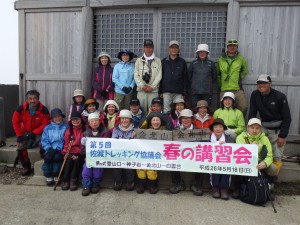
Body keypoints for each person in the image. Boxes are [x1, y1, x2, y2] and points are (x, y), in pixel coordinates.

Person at [248, 74, 291, 178]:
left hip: (277, 130)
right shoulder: (255, 95)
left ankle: (272, 181)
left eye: (264, 83)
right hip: (262, 128)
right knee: (260, 152)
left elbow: (287, 118)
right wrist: (249, 128)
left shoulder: (280, 96)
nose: (261, 85)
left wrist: (283, 135)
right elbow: (252, 112)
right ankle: (260, 178)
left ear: (270, 84)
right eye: (259, 83)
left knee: (277, 156)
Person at [235, 118, 277, 198]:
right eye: (252, 127)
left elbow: (269, 155)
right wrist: (251, 148)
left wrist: (265, 163)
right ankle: (239, 188)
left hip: (260, 162)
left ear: (260, 129)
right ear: (247, 128)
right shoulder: (240, 137)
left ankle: (268, 189)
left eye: (257, 128)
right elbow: (239, 153)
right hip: (246, 161)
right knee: (238, 166)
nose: (254, 130)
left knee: (273, 168)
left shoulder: (264, 138)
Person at [12, 90, 50, 175]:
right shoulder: (20, 109)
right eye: (30, 98)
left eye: (35, 98)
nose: (32, 101)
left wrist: (34, 133)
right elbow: (15, 121)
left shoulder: (44, 110)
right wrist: (19, 136)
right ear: (27, 100)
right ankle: (26, 166)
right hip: (25, 131)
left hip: (39, 132)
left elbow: (45, 124)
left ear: (38, 99)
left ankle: (46, 163)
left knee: (43, 144)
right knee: (21, 147)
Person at [169, 109, 205, 196]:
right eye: (183, 118)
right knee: (171, 157)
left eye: (188, 118)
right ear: (180, 119)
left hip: (194, 155)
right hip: (180, 155)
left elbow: (205, 144)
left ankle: (197, 184)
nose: (185, 120)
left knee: (203, 158)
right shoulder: (175, 130)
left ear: (192, 119)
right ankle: (177, 183)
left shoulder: (199, 131)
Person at [81, 112, 112, 196]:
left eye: (96, 121)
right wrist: (85, 156)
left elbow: (106, 145)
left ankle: (95, 184)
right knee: (86, 168)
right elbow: (83, 148)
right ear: (89, 123)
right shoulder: (86, 133)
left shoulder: (106, 131)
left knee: (98, 169)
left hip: (101, 156)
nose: (94, 123)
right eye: (92, 121)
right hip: (90, 156)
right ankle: (86, 186)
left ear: (99, 121)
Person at [136, 112, 166, 194]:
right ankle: (141, 184)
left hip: (157, 156)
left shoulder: (165, 131)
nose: (155, 122)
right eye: (153, 120)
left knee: (151, 170)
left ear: (161, 121)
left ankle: (152, 185)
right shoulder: (146, 131)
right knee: (141, 169)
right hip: (145, 155)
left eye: (157, 120)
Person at [217, 38, 248, 117]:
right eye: (230, 46)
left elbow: (245, 70)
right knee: (223, 109)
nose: (232, 47)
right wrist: (220, 85)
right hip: (224, 89)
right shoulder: (221, 59)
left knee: (243, 106)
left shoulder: (241, 59)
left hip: (237, 89)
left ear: (236, 47)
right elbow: (218, 74)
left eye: (234, 46)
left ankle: (238, 122)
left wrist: (239, 78)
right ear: (227, 47)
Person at [41, 108, 69, 186]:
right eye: (55, 117)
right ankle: (48, 175)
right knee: (48, 159)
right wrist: (48, 148)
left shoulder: (66, 127)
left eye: (59, 116)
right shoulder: (47, 128)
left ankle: (57, 175)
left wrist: (59, 148)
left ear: (62, 117)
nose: (58, 118)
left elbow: (65, 139)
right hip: (49, 149)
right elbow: (44, 140)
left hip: (60, 149)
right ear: (52, 118)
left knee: (57, 159)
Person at [134, 39, 162, 112]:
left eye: (150, 47)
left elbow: (159, 75)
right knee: (141, 111)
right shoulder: (138, 61)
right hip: (141, 91)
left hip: (153, 91)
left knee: (153, 111)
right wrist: (142, 86)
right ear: (143, 48)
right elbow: (136, 75)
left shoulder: (158, 61)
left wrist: (152, 87)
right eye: (146, 47)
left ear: (153, 48)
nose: (148, 49)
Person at [160, 40, 188, 113]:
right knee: (167, 110)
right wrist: (160, 91)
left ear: (178, 49)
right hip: (166, 90)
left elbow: (185, 77)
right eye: (172, 47)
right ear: (169, 49)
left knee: (179, 110)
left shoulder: (182, 62)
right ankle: (168, 124)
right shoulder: (163, 62)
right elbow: (160, 77)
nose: (174, 49)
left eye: (176, 47)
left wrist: (184, 92)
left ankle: (178, 124)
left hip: (178, 91)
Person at [111, 109, 136, 191]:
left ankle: (130, 181)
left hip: (131, 154)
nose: (124, 120)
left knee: (130, 167)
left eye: (126, 118)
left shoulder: (135, 130)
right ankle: (118, 181)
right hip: (118, 153)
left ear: (130, 120)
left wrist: (134, 136)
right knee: (116, 165)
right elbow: (114, 141)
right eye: (122, 118)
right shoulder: (116, 129)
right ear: (120, 120)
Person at [209, 118, 233, 200]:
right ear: (212, 129)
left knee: (226, 169)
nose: (218, 129)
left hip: (226, 161)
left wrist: (226, 145)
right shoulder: (208, 138)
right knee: (214, 168)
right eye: (215, 127)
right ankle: (215, 188)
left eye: (220, 127)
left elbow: (234, 150)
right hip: (212, 161)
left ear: (223, 129)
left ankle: (224, 189)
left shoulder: (229, 138)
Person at [61, 111, 85, 191]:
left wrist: (79, 152)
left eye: (77, 119)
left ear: (81, 119)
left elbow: (84, 144)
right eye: (73, 120)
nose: (75, 121)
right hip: (71, 150)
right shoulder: (69, 131)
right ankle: (66, 179)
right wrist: (65, 153)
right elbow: (67, 143)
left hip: (80, 151)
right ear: (71, 121)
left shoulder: (84, 130)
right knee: (69, 158)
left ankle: (73, 179)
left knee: (77, 158)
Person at [188, 44, 217, 110]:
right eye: (200, 52)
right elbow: (189, 77)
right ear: (197, 53)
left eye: (204, 52)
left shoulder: (211, 63)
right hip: (195, 92)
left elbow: (214, 77)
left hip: (207, 92)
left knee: (206, 109)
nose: (202, 53)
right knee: (195, 109)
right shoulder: (193, 63)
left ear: (207, 53)